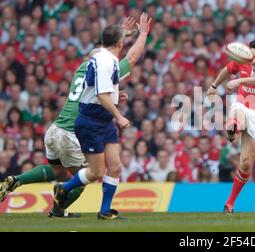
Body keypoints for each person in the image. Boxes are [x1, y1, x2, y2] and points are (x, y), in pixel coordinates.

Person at [0, 14, 152, 218]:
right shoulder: (109, 64)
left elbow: (98, 72)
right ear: (115, 45)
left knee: (59, 172)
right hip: (71, 133)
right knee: (86, 176)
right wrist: (142, 35)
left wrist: (114, 93)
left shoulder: (83, 66)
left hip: (55, 130)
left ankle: (16, 181)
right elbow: (131, 59)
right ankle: (57, 209)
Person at [207, 39, 255, 213]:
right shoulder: (242, 61)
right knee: (237, 112)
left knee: (246, 164)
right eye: (253, 57)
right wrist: (213, 85)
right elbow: (227, 69)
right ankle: (233, 127)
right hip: (241, 105)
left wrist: (239, 82)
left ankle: (230, 203)